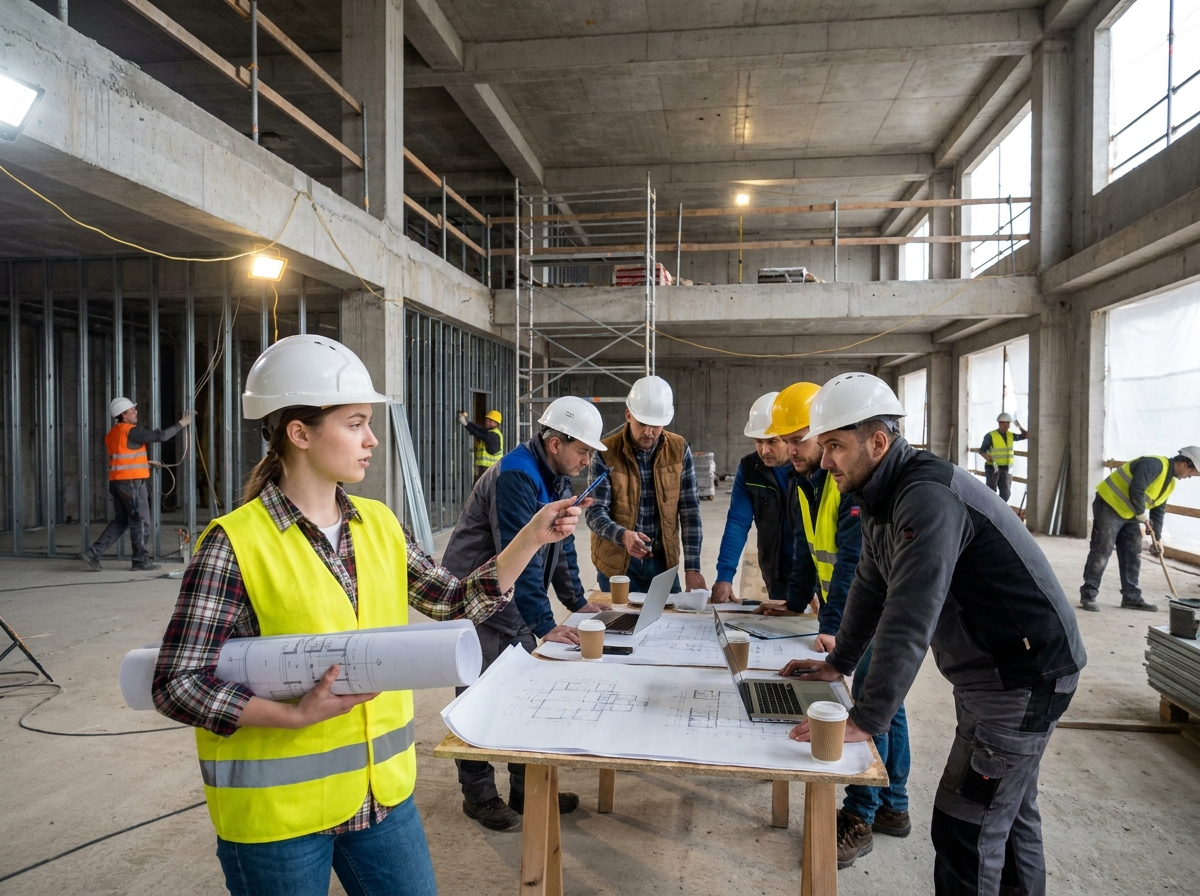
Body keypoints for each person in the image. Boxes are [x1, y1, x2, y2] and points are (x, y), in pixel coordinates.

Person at [152, 335, 587, 896]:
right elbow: (176, 683)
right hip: (279, 820)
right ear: (300, 433)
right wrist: (292, 715)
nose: (372, 439)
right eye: (355, 423)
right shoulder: (234, 543)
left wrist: (532, 536)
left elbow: (453, 600)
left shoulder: (379, 525)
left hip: (382, 802)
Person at [782, 372, 1086, 896]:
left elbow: (909, 614)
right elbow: (870, 585)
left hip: (1021, 677)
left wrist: (867, 719)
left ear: (878, 441)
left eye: (835, 445)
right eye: (823, 445)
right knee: (1007, 819)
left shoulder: (925, 496)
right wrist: (841, 663)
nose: (825, 459)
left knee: (965, 827)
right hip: (996, 675)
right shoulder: (884, 495)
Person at [758, 381, 912, 869]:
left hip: (873, 615)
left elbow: (853, 564)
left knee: (867, 707)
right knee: (888, 708)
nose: (805, 453)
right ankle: (895, 805)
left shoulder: (849, 485)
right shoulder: (808, 483)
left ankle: (861, 813)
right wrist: (794, 600)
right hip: (852, 613)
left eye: (809, 440)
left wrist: (835, 630)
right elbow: (809, 548)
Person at [441, 395, 609, 831]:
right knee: (476, 696)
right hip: (477, 598)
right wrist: (545, 625)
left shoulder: (557, 477)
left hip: (510, 596)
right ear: (556, 443)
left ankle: (523, 789)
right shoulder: (517, 475)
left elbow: (563, 545)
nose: (587, 460)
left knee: (522, 692)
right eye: (583, 450)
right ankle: (478, 797)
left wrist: (577, 603)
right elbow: (522, 556)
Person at [586, 375, 706, 594]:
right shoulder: (605, 452)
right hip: (617, 565)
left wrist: (693, 568)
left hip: (663, 563)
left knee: (671, 624)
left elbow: (690, 511)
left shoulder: (679, 449)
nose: (649, 432)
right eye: (642, 424)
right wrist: (623, 535)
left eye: (656, 425)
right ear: (628, 415)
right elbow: (594, 512)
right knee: (619, 624)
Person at [1080, 447, 1200, 612]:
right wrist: (1142, 514)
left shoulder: (1170, 483)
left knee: (1133, 553)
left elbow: (1158, 510)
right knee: (1102, 549)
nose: (1188, 477)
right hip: (1109, 504)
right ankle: (1088, 593)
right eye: (1191, 473)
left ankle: (1131, 597)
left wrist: (1156, 539)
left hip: (1130, 513)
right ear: (1185, 464)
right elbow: (1136, 489)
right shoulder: (1154, 464)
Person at [79, 397, 192, 572]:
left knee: (121, 521)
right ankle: (140, 560)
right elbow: (161, 436)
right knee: (140, 522)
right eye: (132, 410)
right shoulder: (131, 431)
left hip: (118, 482)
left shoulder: (112, 434)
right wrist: (182, 424)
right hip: (131, 483)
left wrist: (146, 463)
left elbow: (124, 456)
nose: (136, 412)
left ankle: (93, 553)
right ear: (124, 415)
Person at [710, 392, 793, 604]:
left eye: (772, 441)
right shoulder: (750, 469)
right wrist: (724, 577)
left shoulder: (811, 470)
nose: (764, 450)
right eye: (758, 441)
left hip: (814, 575)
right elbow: (738, 522)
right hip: (774, 571)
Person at [979, 412, 1029, 502]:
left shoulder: (1011, 435)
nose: (1006, 426)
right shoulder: (990, 436)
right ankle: (990, 510)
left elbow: (1026, 435)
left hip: (1005, 468)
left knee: (1006, 493)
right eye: (1004, 423)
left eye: (1008, 423)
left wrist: (1019, 426)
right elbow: (982, 450)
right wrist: (986, 457)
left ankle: (999, 509)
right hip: (992, 467)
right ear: (999, 423)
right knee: (991, 491)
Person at [459, 409, 504, 481]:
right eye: (487, 420)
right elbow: (480, 429)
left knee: (482, 488)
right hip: (488, 467)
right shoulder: (491, 431)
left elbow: (479, 434)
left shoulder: (493, 435)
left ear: (496, 423)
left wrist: (466, 424)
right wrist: (468, 423)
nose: (487, 422)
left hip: (488, 467)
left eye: (490, 421)